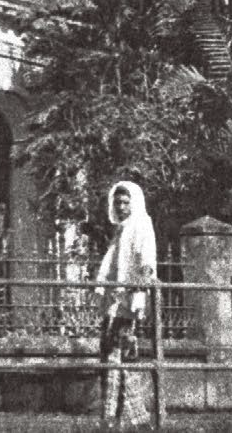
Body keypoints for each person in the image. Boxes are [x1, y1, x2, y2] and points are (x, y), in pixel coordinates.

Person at [93, 180, 158, 427]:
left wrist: (143, 276)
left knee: (120, 357)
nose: (120, 207)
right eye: (117, 202)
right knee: (112, 358)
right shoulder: (122, 228)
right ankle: (118, 418)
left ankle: (128, 419)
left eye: (125, 202)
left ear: (135, 202)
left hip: (128, 302)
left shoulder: (142, 224)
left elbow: (147, 256)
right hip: (114, 300)